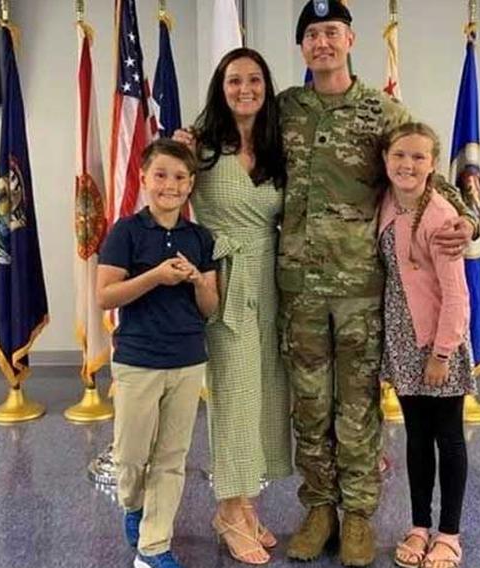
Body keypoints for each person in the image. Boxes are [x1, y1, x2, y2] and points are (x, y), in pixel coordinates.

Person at [278, 1, 480, 565]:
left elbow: (424, 167)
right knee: (312, 405)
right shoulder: (286, 110)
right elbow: (240, 143)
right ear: (302, 46)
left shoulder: (382, 110)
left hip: (363, 288)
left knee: (358, 405)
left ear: (350, 39)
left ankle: (360, 515)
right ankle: (320, 509)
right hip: (298, 285)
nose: (323, 42)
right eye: (312, 34)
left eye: (332, 32)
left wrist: (468, 219)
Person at [175, 47, 291, 565]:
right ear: (220, 89)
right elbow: (162, 197)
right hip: (224, 277)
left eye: (254, 80)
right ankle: (227, 510)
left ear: (266, 86)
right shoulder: (198, 147)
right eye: (234, 80)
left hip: (271, 277)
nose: (245, 88)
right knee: (234, 394)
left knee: (265, 391)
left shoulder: (277, 145)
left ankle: (246, 504)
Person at [96, 138, 218, 568]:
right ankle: (134, 506)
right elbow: (106, 296)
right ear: (144, 178)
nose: (170, 184)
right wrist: (155, 276)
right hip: (137, 361)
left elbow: (211, 307)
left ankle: (153, 547)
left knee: (171, 458)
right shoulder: (126, 231)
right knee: (130, 457)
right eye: (161, 175)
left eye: (180, 177)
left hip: (186, 360)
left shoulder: (200, 237)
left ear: (191, 185)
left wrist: (196, 281)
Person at [377, 123, 475, 568]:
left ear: (433, 164)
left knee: (448, 437)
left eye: (418, 157)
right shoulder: (387, 203)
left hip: (439, 343)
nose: (407, 165)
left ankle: (449, 534)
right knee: (417, 437)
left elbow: (457, 295)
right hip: (402, 338)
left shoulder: (439, 216)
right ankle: (419, 525)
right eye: (399, 155)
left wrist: (440, 354)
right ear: (385, 160)